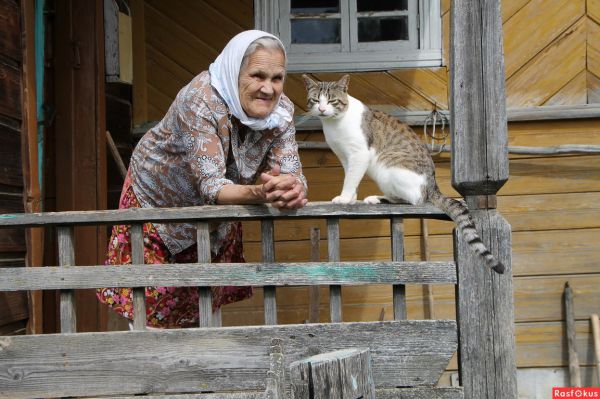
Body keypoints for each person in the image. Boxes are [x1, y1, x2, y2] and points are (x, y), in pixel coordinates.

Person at [97, 30, 308, 328]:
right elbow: (212, 186)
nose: (268, 88)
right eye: (257, 75)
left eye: (277, 78)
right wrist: (264, 193)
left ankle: (204, 370)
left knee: (207, 300)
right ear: (236, 72)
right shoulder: (200, 100)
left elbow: (292, 173)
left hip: (216, 213)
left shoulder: (282, 112)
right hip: (159, 205)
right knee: (152, 305)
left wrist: (293, 190)